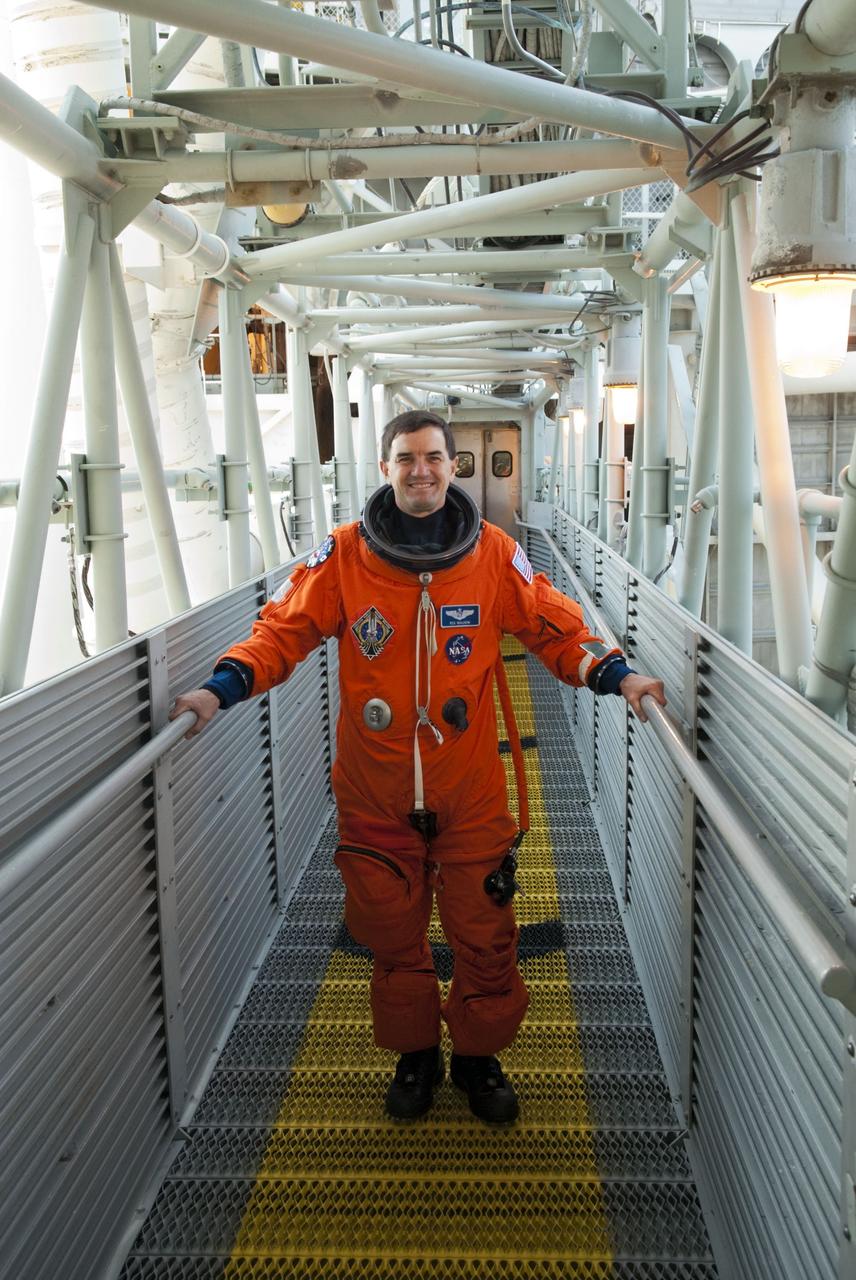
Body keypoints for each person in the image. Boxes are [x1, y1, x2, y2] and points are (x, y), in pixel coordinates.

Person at [171, 410, 666, 1125]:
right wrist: (221, 689)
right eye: (406, 458)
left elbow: (552, 621)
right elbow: (281, 631)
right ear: (386, 467)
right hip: (376, 798)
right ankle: (416, 1055)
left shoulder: (494, 554)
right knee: (395, 942)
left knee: (487, 938)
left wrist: (617, 675)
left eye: (434, 457)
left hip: (470, 795)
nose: (421, 470)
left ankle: (476, 1057)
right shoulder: (342, 556)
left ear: (453, 465)